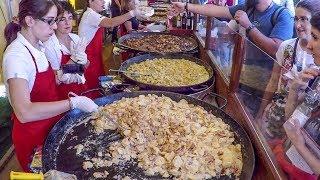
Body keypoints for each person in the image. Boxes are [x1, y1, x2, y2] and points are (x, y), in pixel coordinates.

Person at [3, 0, 98, 171]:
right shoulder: (16, 56)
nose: (54, 27)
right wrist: (73, 103)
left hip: (51, 125)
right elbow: (24, 112)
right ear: (30, 20)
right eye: (50, 21)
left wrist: (73, 69)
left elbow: (52, 79)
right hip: (33, 134)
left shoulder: (38, 46)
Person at [258, 0, 320, 138]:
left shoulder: (317, 58)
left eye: (304, 19)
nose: (298, 25)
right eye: (296, 19)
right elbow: (273, 80)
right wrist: (260, 112)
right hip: (274, 116)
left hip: (300, 127)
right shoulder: (286, 47)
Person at [270, 12, 320, 179]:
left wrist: (300, 145)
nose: (310, 45)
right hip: (286, 158)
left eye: (316, 37)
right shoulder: (316, 76)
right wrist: (294, 90)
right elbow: (291, 121)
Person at [170, 0, 294, 57]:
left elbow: (275, 49)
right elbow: (216, 11)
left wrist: (248, 25)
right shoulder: (247, 7)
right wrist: (186, 6)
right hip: (244, 69)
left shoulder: (283, 15)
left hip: (266, 79)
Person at [78, 0, 140, 94]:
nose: (103, 2)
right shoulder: (90, 15)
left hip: (95, 56)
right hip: (88, 58)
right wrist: (132, 13)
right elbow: (111, 23)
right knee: (92, 87)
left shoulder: (92, 14)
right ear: (90, 1)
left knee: (97, 85)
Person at [44, 1, 91, 100]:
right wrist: (74, 60)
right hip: (63, 94)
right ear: (55, 22)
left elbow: (86, 66)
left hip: (80, 87)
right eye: (62, 19)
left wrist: (85, 61)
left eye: (70, 18)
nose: (67, 23)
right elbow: (57, 76)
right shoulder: (50, 45)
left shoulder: (76, 38)